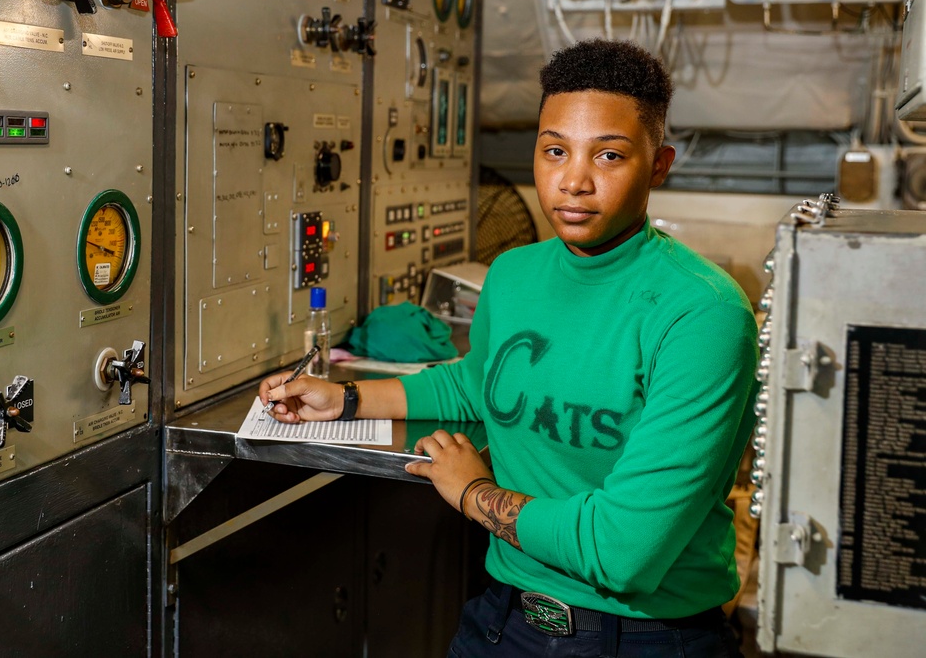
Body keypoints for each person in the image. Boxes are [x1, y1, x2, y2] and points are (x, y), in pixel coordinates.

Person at [259, 38, 758, 658]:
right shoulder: (515, 273)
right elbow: (476, 381)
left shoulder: (703, 312)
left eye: (608, 155)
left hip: (644, 636)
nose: (573, 181)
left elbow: (622, 551)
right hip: (506, 614)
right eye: (555, 151)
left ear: (658, 165)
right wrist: (346, 398)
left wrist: (473, 493)